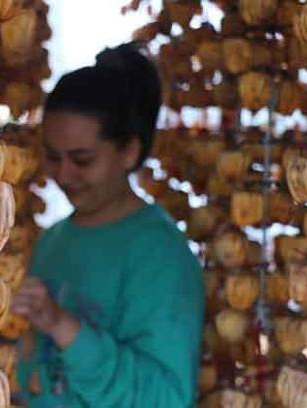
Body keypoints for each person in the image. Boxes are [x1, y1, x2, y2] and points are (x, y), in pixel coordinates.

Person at [12, 43, 204, 407]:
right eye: (53, 157)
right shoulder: (51, 241)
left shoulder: (162, 257)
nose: (64, 175)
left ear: (129, 152)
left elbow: (166, 399)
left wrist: (63, 326)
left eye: (82, 159)